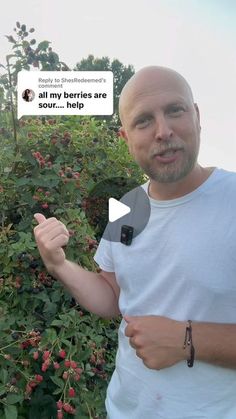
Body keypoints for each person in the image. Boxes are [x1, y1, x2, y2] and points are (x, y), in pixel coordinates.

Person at [34, 66, 236, 419]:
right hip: (124, 409)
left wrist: (186, 341)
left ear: (197, 115)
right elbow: (112, 296)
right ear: (125, 137)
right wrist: (58, 264)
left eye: (175, 110)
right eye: (144, 121)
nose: (163, 131)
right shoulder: (127, 208)